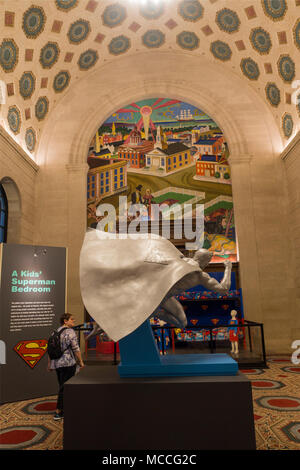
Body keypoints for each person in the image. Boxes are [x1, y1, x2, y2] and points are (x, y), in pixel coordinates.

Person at [47, 313, 84, 420]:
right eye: (72, 319)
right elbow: (76, 348)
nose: (74, 321)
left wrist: (49, 364)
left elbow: (49, 350)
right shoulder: (70, 332)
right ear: (65, 321)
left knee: (62, 386)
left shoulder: (55, 332)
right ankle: (58, 411)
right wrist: (81, 362)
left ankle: (64, 409)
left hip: (57, 364)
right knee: (64, 388)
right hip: (68, 363)